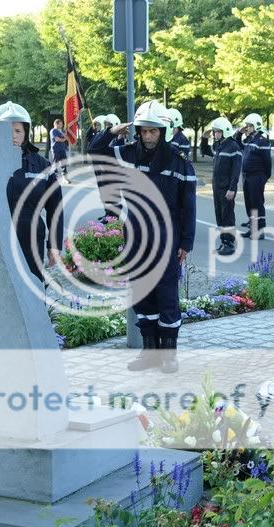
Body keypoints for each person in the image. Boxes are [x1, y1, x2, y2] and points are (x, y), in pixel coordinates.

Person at [88, 100, 196, 373]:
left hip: (167, 239)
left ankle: (168, 353)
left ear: (163, 131)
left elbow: (189, 206)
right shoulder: (127, 154)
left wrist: (186, 243)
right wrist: (112, 131)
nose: (148, 136)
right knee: (140, 293)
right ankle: (149, 352)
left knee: (167, 295)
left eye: (153, 131)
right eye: (143, 131)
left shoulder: (179, 162)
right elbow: (95, 151)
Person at [0, 101, 64, 284]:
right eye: (7, 130)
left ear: (25, 133)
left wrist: (54, 244)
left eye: (17, 131)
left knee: (33, 286)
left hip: (30, 239)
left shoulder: (42, 166)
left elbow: (55, 207)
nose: (13, 136)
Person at [201, 117, 242, 255]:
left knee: (227, 215)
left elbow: (236, 171)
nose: (215, 134)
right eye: (214, 132)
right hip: (217, 186)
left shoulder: (233, 146)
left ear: (225, 131)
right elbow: (205, 151)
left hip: (226, 188)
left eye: (217, 132)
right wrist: (204, 138)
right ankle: (224, 241)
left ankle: (229, 243)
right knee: (219, 215)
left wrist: (232, 188)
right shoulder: (219, 145)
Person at [234, 113, 272, 238]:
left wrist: (265, 176)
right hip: (247, 176)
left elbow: (267, 161)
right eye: (247, 126)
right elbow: (237, 144)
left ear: (256, 126)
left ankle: (260, 231)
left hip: (257, 176)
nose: (247, 128)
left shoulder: (262, 141)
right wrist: (239, 133)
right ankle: (252, 227)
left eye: (249, 126)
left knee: (257, 203)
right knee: (249, 203)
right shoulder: (249, 140)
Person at [50, 118, 70, 184]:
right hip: (56, 149)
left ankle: (65, 178)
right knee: (55, 164)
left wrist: (64, 135)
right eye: (61, 124)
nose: (62, 125)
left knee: (64, 164)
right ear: (56, 124)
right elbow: (57, 139)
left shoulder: (60, 131)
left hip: (62, 149)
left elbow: (66, 138)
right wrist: (64, 139)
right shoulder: (53, 131)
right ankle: (54, 179)